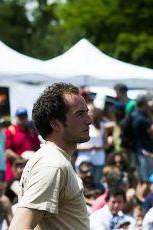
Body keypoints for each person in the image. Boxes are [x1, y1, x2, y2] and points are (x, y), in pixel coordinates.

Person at [10, 83, 92, 229]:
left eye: (87, 112)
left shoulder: (55, 160)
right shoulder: (52, 165)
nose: (89, 120)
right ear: (55, 124)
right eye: (80, 114)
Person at [3, 107, 41, 182]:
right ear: (16, 117)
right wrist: (21, 158)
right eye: (20, 116)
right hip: (16, 171)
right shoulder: (10, 131)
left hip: (31, 170)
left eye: (24, 116)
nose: (22, 118)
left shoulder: (31, 131)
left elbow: (38, 148)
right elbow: (7, 152)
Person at [76, 104, 110, 184]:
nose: (91, 113)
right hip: (84, 159)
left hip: (98, 159)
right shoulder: (80, 126)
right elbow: (75, 146)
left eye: (93, 111)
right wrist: (89, 148)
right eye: (88, 111)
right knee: (83, 183)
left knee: (96, 183)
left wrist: (100, 147)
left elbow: (106, 144)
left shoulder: (102, 126)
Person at [131, 95, 153, 181]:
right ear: (144, 105)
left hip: (137, 149)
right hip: (145, 152)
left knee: (142, 179)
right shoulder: (143, 119)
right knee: (148, 179)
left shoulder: (133, 115)